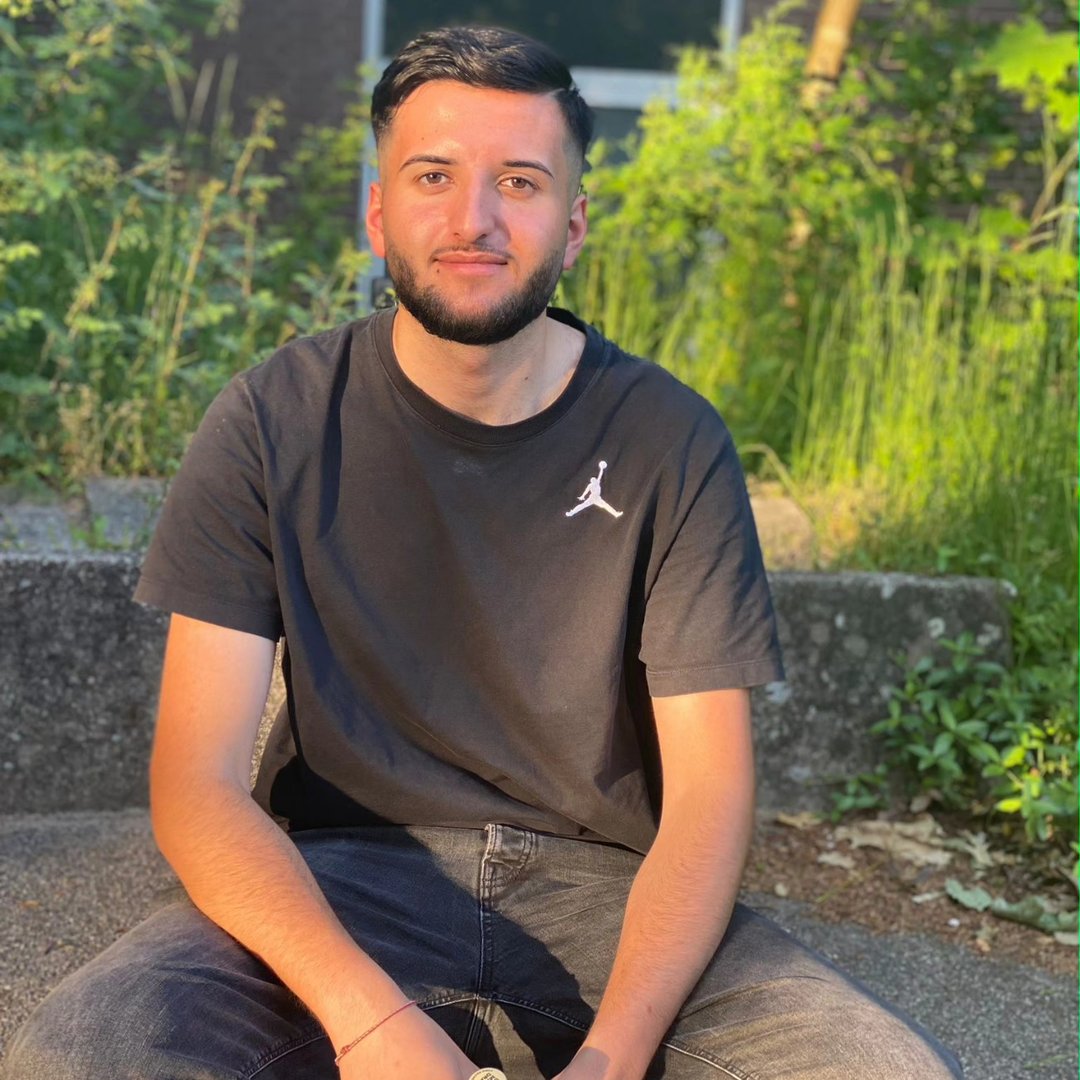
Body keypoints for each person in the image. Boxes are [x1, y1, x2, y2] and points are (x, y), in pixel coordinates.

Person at [3, 25, 963, 1080]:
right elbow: (197, 782)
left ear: (574, 222)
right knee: (81, 1055)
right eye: (434, 176)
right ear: (378, 213)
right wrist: (370, 1026)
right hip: (340, 879)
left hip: (609, 893)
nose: (474, 219)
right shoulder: (273, 419)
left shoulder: (670, 440)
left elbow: (708, 797)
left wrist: (613, 1059)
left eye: (519, 180)